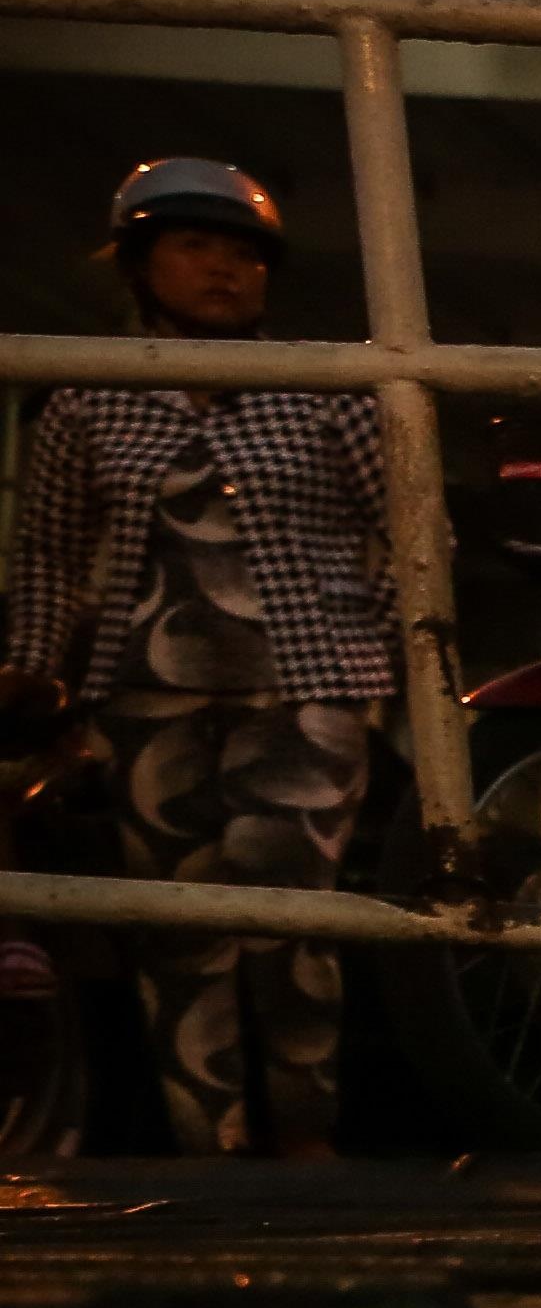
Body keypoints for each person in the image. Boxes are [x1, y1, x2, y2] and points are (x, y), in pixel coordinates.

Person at [0, 158, 392, 1157]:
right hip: (145, 695)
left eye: (244, 253)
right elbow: (49, 552)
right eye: (196, 246)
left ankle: (308, 1140)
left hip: (304, 687)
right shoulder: (88, 401)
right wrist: (36, 670)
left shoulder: (327, 390)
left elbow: (401, 525)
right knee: (177, 935)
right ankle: (206, 1155)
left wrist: (375, 648)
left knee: (288, 905)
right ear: (140, 264)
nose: (225, 269)